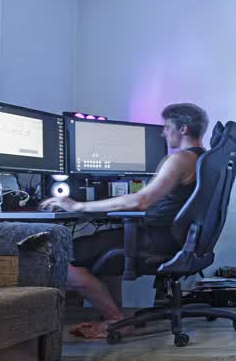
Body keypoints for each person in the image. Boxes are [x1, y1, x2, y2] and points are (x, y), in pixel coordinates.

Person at [40, 103, 208, 339]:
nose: (162, 133)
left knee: (62, 258)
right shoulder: (205, 160)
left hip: (157, 240)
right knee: (109, 246)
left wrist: (77, 206)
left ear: (182, 129)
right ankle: (115, 315)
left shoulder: (180, 160)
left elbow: (142, 201)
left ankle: (115, 319)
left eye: (166, 127)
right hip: (176, 240)